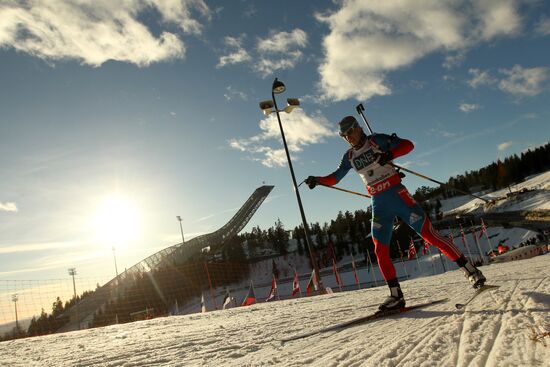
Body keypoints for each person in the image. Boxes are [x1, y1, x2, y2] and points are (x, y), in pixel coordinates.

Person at [305, 116, 486, 311]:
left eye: (350, 132)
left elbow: (408, 145)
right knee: (379, 249)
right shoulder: (349, 157)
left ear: (358, 128)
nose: (348, 137)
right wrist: (318, 179)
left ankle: (471, 271)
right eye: (344, 136)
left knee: (429, 235)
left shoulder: (377, 141)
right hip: (379, 204)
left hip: (398, 196)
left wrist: (389, 154)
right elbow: (335, 177)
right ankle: (395, 295)